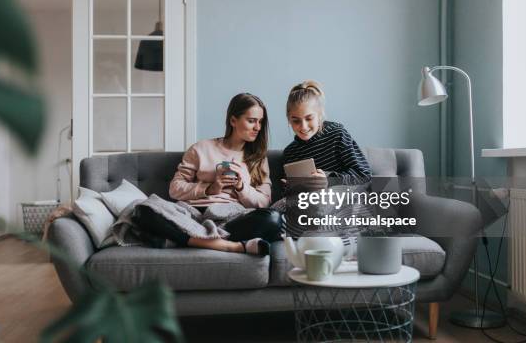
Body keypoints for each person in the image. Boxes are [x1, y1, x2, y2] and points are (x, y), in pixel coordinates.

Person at [132, 93, 281, 256]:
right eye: (252, 121)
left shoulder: (258, 159)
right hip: (191, 215)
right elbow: (175, 189)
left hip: (230, 219)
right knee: (142, 210)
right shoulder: (201, 148)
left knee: (272, 219)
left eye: (260, 122)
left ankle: (185, 238)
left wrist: (241, 187)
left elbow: (264, 202)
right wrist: (210, 188)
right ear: (233, 121)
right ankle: (228, 246)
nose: (257, 127)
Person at [283, 80, 371, 184]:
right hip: (307, 199)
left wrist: (329, 179)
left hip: (343, 197)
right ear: (289, 119)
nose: (303, 126)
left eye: (309, 118)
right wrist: (290, 188)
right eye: (296, 121)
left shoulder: (337, 134)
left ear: (319, 115)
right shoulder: (290, 153)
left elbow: (363, 174)